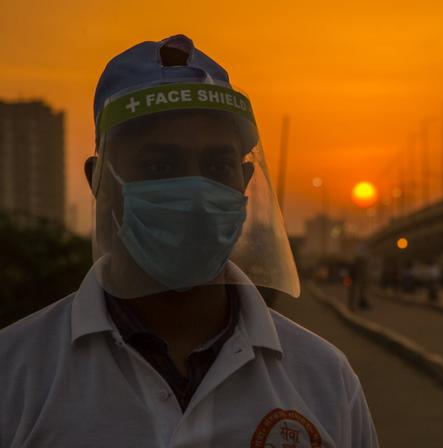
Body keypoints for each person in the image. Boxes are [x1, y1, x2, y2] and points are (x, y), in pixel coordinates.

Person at [0, 35, 378, 447]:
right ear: (99, 181)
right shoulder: (15, 374)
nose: (197, 196)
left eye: (217, 166)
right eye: (160, 165)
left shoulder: (325, 380)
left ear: (245, 182)